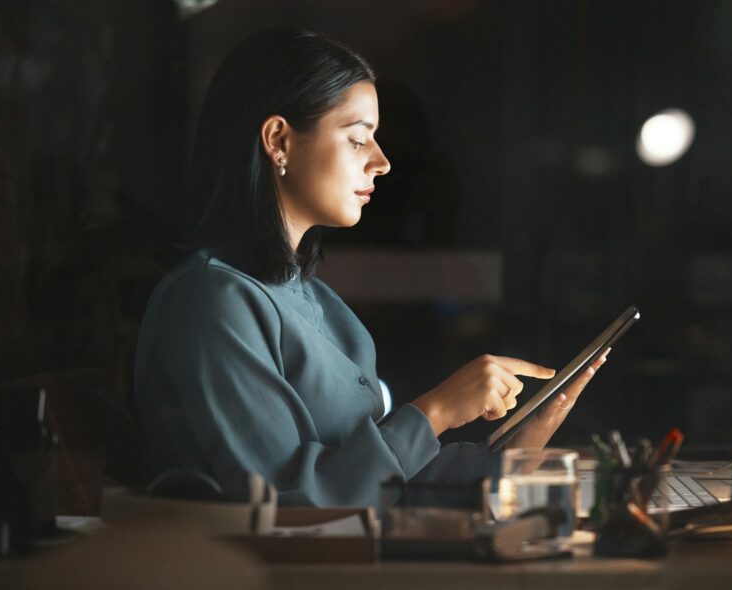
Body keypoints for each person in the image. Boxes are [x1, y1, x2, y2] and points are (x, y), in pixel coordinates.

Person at [133, 27, 607, 508]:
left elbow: (382, 480)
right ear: (279, 140)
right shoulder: (212, 303)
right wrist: (435, 411)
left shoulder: (314, 299)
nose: (381, 162)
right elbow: (288, 505)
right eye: (358, 140)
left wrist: (519, 447)